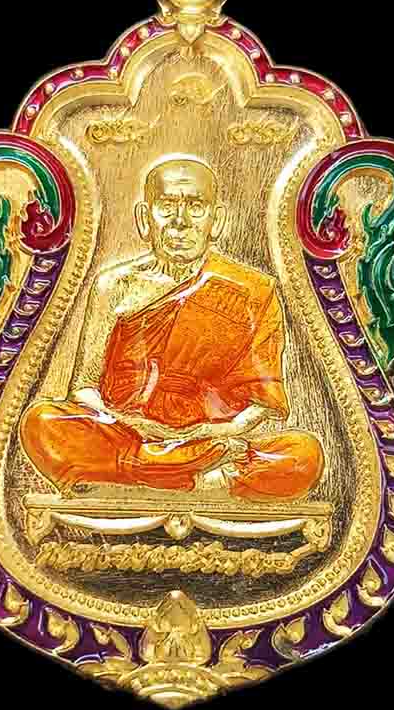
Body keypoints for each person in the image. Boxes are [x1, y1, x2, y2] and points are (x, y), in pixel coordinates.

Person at [20, 155, 323, 502]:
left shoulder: (251, 291)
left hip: (212, 437)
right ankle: (193, 476)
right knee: (41, 422)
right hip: (128, 432)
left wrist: (219, 431)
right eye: (167, 206)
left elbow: (261, 400)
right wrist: (128, 424)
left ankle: (147, 473)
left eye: (195, 207)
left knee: (303, 455)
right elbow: (85, 387)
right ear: (144, 218)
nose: (181, 222)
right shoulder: (113, 286)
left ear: (216, 220)